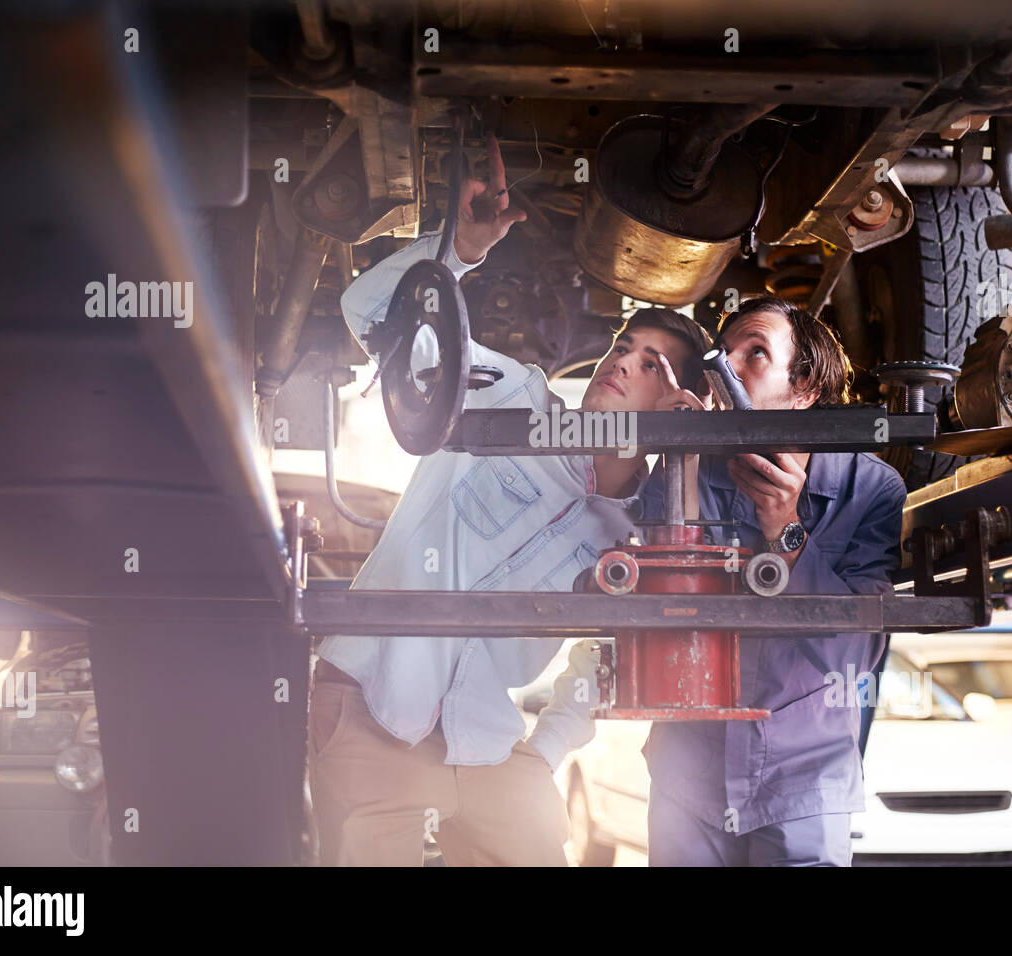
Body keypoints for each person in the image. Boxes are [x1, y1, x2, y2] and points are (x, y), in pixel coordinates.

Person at [307, 134, 712, 866]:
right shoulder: (510, 395)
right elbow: (368, 310)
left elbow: (615, 649)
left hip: (490, 747)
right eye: (623, 346)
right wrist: (455, 252)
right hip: (372, 714)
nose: (622, 361)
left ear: (676, 400)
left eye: (650, 364)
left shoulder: (645, 526)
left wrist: (546, 748)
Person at [533, 294, 907, 866]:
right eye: (724, 354)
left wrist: (786, 533)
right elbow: (650, 595)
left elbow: (857, 651)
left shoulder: (870, 488)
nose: (728, 367)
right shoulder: (691, 466)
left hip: (803, 785)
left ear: (806, 389)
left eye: (755, 353)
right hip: (689, 776)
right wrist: (675, 451)